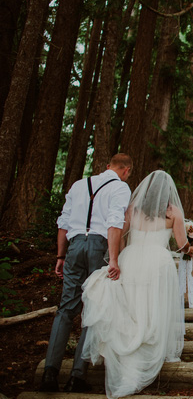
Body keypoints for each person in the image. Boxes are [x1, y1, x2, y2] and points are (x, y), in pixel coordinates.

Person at [79, 170, 193, 398]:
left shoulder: (133, 208)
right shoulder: (174, 213)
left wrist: (121, 255)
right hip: (158, 263)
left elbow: (120, 233)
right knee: (151, 310)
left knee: (131, 309)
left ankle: (126, 356)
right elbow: (182, 246)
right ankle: (143, 353)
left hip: (130, 259)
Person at [39, 153, 133, 393]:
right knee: (94, 307)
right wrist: (113, 259)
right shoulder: (121, 189)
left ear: (107, 166)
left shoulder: (80, 185)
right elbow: (114, 223)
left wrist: (61, 256)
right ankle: (76, 376)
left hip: (74, 246)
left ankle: (50, 372)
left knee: (66, 309)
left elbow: (64, 222)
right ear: (126, 171)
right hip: (99, 247)